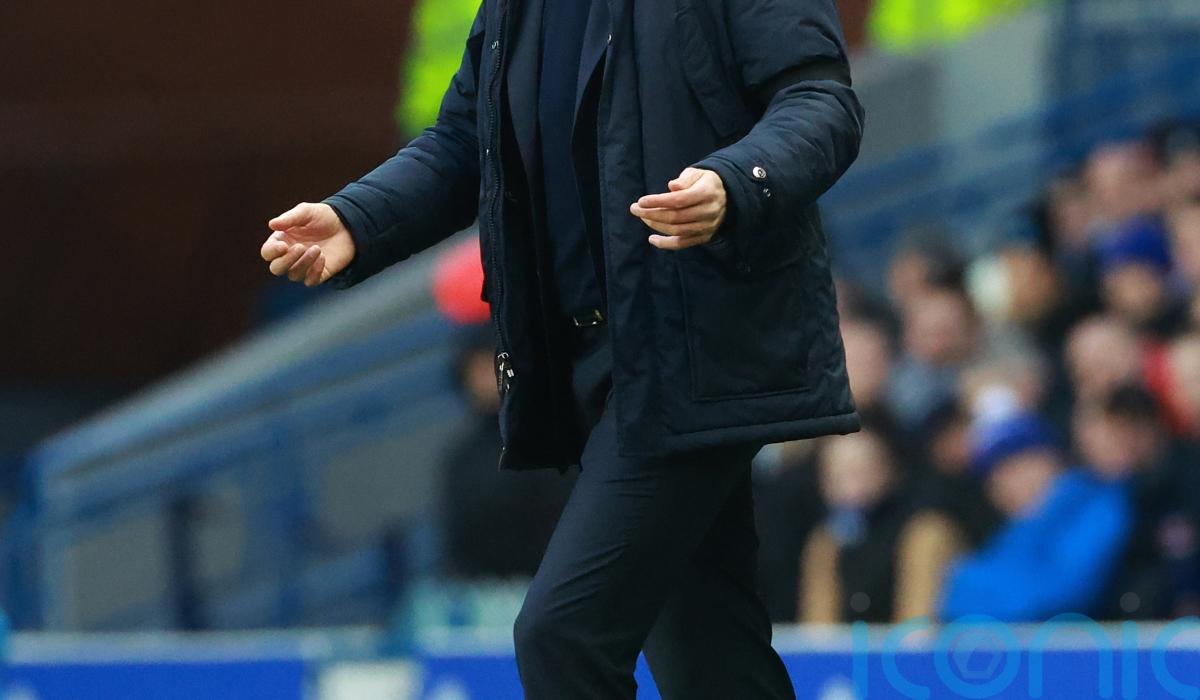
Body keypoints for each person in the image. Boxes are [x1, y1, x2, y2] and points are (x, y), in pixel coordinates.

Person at [259, 1, 865, 697]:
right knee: (711, 659)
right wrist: (357, 218)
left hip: (693, 356)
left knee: (562, 636)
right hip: (592, 363)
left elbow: (822, 103)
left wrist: (735, 181)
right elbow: (464, 142)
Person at [939, 411, 1132, 622]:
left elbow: (1063, 592)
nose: (1004, 485)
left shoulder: (1096, 504)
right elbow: (954, 599)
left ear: (1050, 459)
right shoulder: (1018, 528)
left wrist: (974, 586)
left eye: (1014, 467)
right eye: (994, 478)